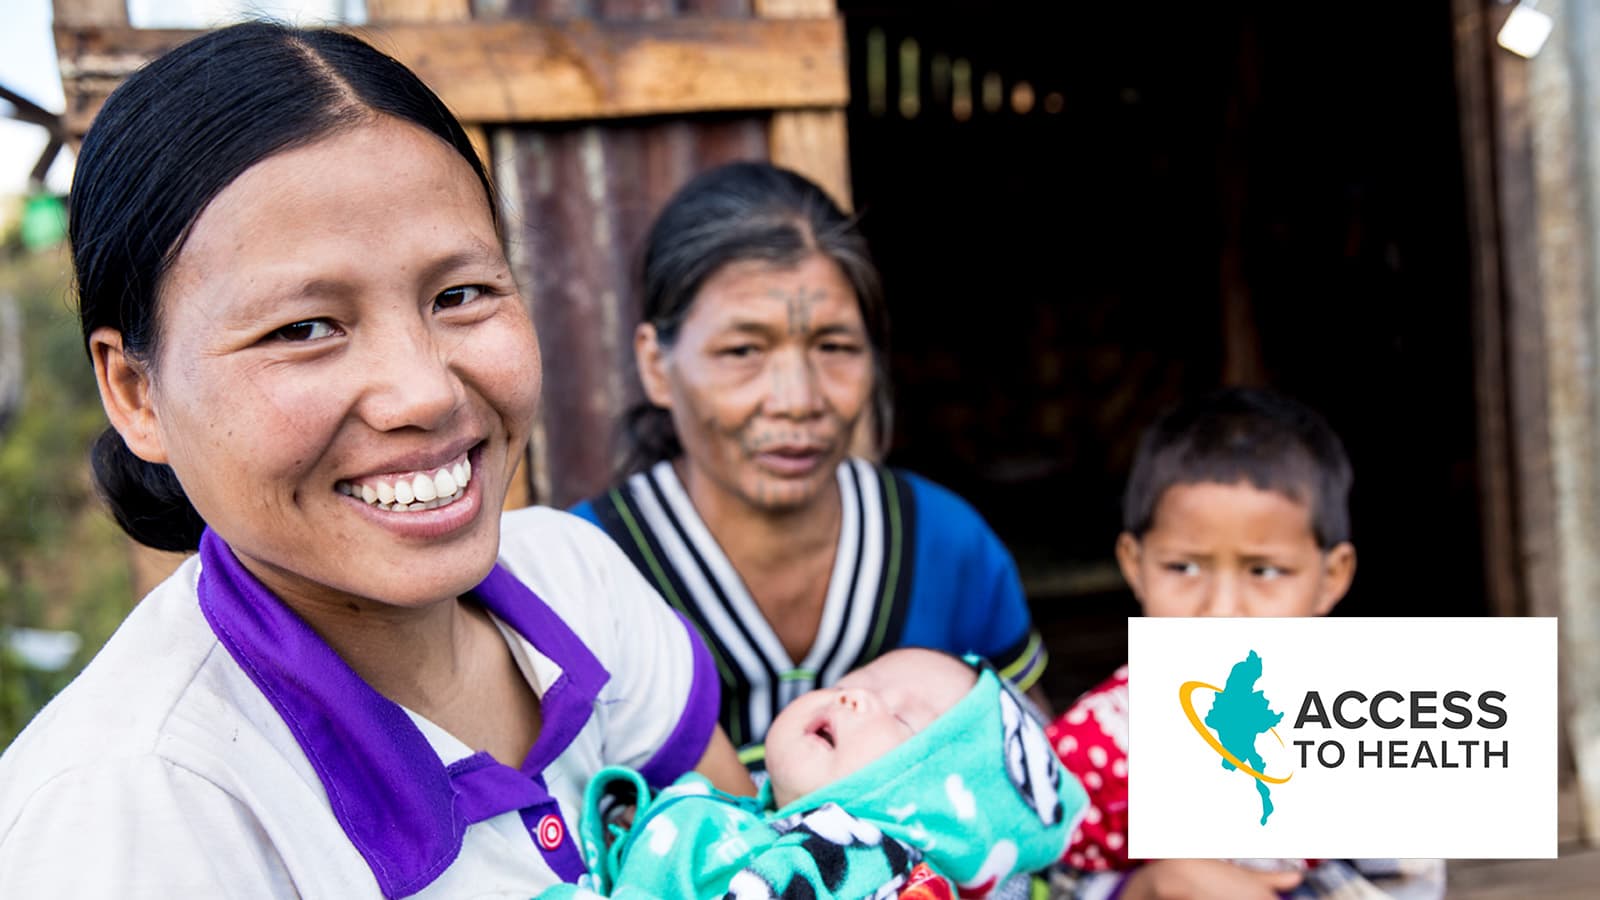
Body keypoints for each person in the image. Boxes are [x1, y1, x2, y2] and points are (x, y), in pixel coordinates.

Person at [0, 22, 752, 897]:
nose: (424, 392)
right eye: (304, 328)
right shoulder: (133, 817)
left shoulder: (578, 584)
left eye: (460, 294)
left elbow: (763, 868)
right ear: (134, 391)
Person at [570, 161, 1050, 762]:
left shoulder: (945, 546)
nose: (798, 400)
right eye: (742, 350)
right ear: (655, 365)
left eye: (834, 346)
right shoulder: (581, 578)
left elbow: (1034, 781)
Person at [1045, 388, 1446, 900]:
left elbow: (1410, 885)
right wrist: (1147, 889)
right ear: (1134, 565)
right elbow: (1049, 885)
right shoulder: (1095, 745)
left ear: (1331, 576)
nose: (1222, 607)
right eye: (1183, 567)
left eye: (1264, 571)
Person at [540, 648, 1087, 899]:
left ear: (936, 812)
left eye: (901, 716)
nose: (855, 697)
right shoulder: (757, 814)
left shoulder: (866, 868)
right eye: (861, 680)